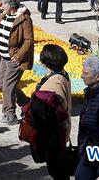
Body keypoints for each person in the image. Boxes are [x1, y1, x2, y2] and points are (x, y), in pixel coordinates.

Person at [0, 0, 33, 125]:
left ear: (11, 5)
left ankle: (9, 114)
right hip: (4, 57)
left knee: (8, 86)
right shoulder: (5, 15)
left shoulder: (24, 18)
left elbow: (29, 40)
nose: (1, 5)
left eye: (4, 3)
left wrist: (19, 55)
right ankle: (26, 103)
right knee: (1, 83)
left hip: (14, 59)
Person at [34, 45, 72, 180]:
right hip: (59, 130)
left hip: (55, 132)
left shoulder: (55, 82)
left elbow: (54, 108)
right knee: (58, 167)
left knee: (57, 169)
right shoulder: (62, 74)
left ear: (47, 63)